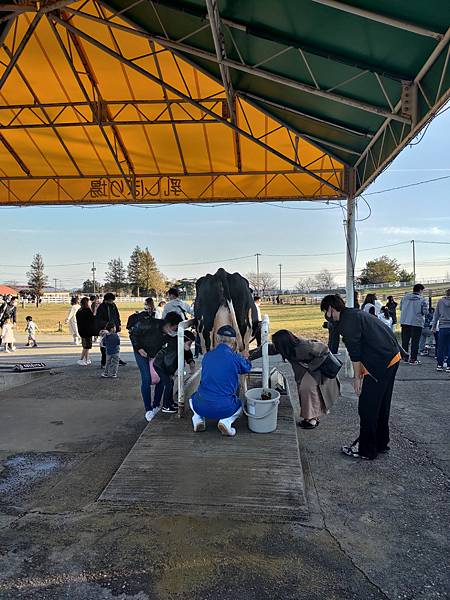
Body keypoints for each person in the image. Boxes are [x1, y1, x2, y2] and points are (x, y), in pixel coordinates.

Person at [321, 294, 401, 460]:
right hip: (392, 357)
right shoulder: (353, 314)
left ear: (330, 309)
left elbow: (355, 353)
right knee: (381, 404)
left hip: (381, 362)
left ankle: (367, 450)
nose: (326, 315)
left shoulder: (347, 323)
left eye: (325, 311)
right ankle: (381, 443)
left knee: (367, 407)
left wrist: (357, 378)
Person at [250, 329, 339, 429]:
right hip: (307, 372)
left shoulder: (304, 346)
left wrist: (312, 365)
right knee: (306, 391)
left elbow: (323, 349)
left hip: (317, 372)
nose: (275, 346)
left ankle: (312, 419)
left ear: (283, 344)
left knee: (307, 390)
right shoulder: (287, 347)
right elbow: (267, 349)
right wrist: (248, 355)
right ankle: (310, 418)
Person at [190, 325, 252, 437]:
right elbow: (247, 368)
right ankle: (226, 422)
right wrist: (245, 358)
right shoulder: (235, 358)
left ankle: (198, 418)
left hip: (201, 405)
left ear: (217, 339)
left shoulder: (207, 356)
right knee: (239, 404)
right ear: (233, 342)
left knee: (192, 398)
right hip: (224, 408)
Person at [129, 311, 183, 420]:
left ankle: (156, 405)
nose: (175, 331)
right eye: (175, 328)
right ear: (168, 325)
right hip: (141, 352)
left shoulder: (169, 335)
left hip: (155, 354)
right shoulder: (149, 323)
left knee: (162, 377)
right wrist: (138, 348)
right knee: (146, 378)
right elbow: (133, 333)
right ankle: (148, 409)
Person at [153, 330, 196, 415]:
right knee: (168, 384)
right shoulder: (174, 348)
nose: (190, 346)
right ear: (183, 341)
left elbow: (187, 353)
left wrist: (190, 360)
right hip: (161, 365)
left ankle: (170, 402)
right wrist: (171, 374)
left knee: (171, 383)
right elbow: (169, 362)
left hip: (165, 365)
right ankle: (166, 405)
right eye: (189, 344)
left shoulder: (181, 345)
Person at [399, 283, 428, 365]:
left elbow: (401, 308)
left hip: (405, 321)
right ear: (420, 290)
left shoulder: (404, 297)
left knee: (405, 341)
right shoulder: (422, 299)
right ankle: (413, 359)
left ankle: (404, 357)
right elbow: (425, 312)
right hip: (416, 322)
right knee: (415, 342)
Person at [96, 293, 126, 368]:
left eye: (112, 300)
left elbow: (117, 315)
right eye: (110, 300)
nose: (112, 302)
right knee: (104, 346)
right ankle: (104, 362)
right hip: (105, 329)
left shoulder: (113, 305)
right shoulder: (101, 307)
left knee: (116, 345)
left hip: (114, 328)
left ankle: (116, 360)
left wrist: (118, 324)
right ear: (106, 300)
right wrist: (105, 326)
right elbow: (99, 319)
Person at [432, 288, 450, 372]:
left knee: (440, 347)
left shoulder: (440, 301)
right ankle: (449, 366)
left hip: (443, 326)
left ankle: (439, 364)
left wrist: (434, 326)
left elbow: (436, 315)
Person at [75, 297, 96, 366]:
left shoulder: (79, 310)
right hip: (87, 330)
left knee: (86, 345)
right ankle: (81, 359)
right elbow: (92, 319)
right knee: (86, 346)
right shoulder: (87, 310)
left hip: (81, 330)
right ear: (87, 303)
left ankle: (87, 359)